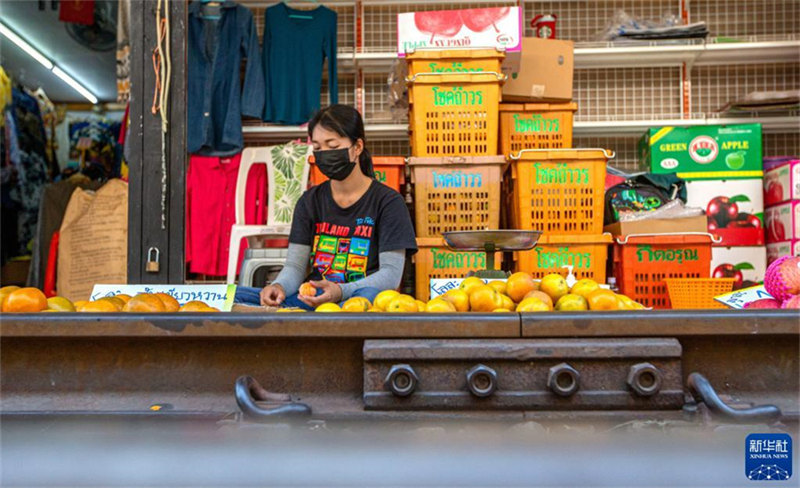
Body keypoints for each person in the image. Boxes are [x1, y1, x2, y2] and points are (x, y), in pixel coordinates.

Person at [235, 104, 417, 310]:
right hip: (313, 299)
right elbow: (295, 266)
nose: (324, 155)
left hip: (358, 300)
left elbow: (390, 276)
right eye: (319, 148)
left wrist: (341, 291)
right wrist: (279, 286)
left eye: (332, 146)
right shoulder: (309, 201)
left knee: (370, 296)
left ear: (357, 148)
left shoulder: (388, 202)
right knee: (236, 294)